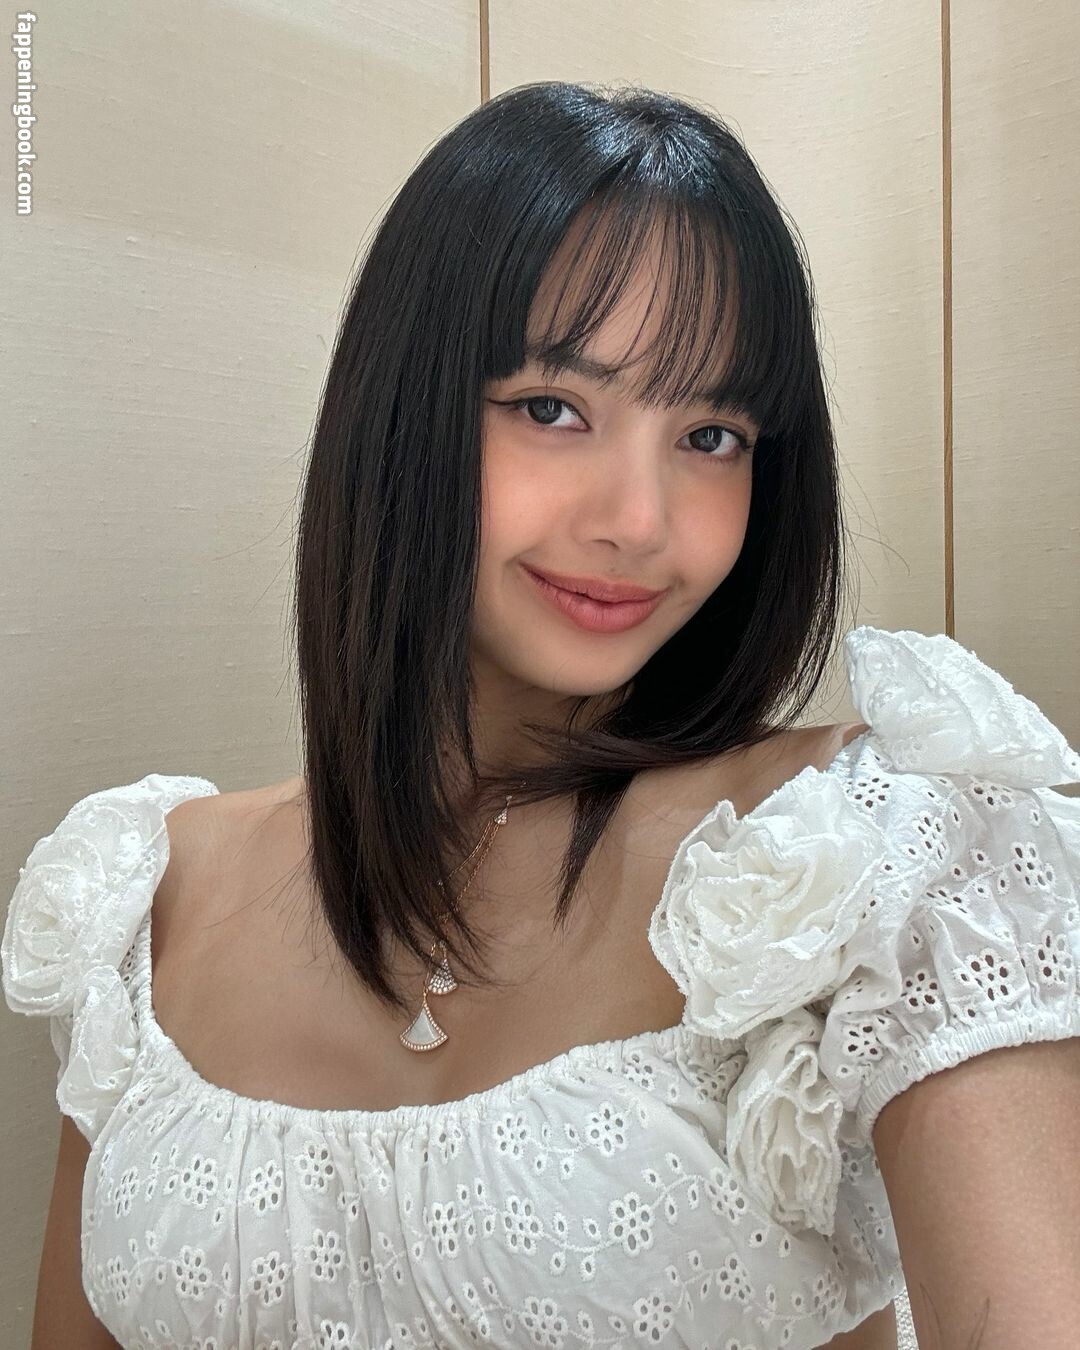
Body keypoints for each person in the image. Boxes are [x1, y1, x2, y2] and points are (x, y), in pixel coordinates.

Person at [4, 79, 1079, 1350]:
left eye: (714, 435)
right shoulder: (150, 897)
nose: (640, 520)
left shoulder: (878, 856)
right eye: (554, 410)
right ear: (398, 414)